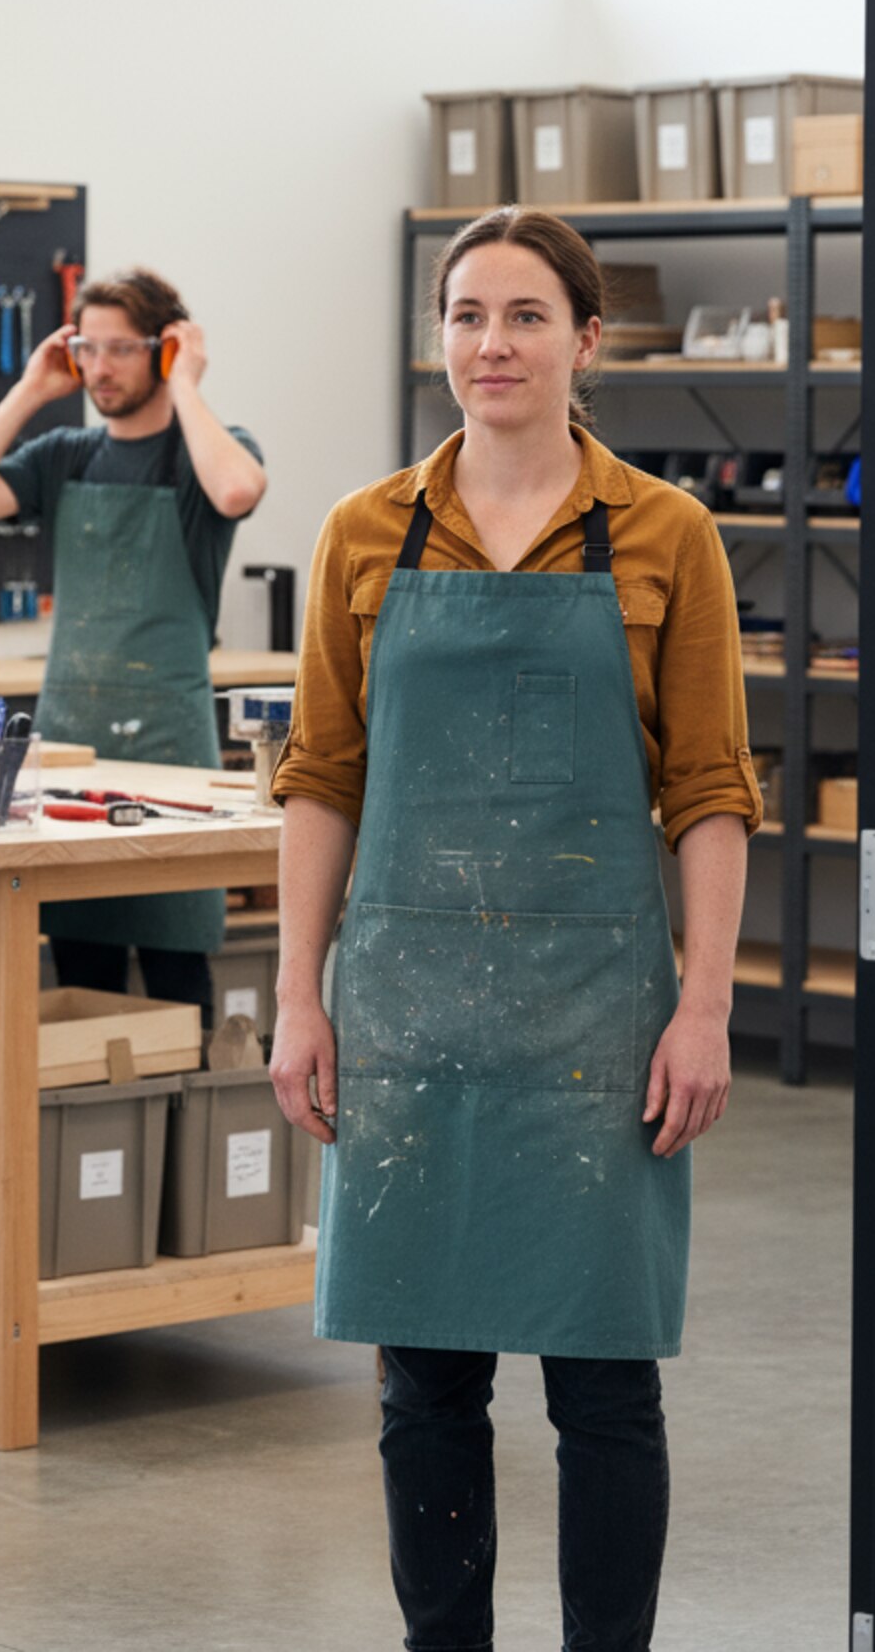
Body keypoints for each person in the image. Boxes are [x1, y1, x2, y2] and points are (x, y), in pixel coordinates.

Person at [267, 204, 760, 1652]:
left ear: (585, 340)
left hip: (597, 1020)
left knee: (605, 1385)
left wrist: (708, 1002)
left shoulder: (670, 536)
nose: (494, 343)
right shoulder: (365, 533)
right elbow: (321, 775)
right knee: (425, 1385)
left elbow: (710, 788)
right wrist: (302, 993)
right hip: (410, 1013)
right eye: (469, 315)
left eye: (527, 315)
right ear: (441, 342)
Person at [0, 267, 266, 1008]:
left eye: (120, 350)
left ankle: (180, 1125)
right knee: (81, 974)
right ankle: (101, 1127)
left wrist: (188, 388)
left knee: (178, 974)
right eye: (87, 349)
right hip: (72, 737)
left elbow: (237, 491)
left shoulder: (208, 450)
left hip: (170, 749)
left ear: (164, 351)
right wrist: (29, 392)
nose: (99, 369)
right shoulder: (65, 455)